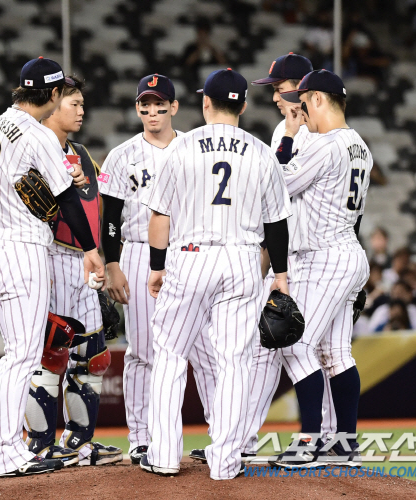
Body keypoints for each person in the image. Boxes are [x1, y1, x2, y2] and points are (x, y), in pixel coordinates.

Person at [142, 68, 293, 480]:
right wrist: (279, 274)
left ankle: (164, 456)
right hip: (242, 261)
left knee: (171, 356)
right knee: (234, 362)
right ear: (243, 105)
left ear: (204, 103)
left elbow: (159, 217)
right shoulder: (262, 152)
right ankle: (225, 462)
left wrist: (157, 268)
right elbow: (277, 224)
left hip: (190, 256)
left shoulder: (182, 147)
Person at [0, 57, 104, 478]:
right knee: (23, 356)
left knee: (15, 355)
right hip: (20, 250)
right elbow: (68, 199)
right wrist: (90, 248)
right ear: (52, 95)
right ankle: (8, 449)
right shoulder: (39, 135)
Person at [99, 74, 218, 465]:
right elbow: (110, 217)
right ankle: (142, 436)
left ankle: (222, 435)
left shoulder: (195, 148)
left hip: (188, 251)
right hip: (135, 251)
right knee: (144, 351)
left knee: (204, 348)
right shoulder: (121, 154)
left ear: (174, 107)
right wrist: (112, 263)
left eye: (159, 104)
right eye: (145, 104)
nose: (152, 111)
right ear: (137, 108)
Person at [270, 69, 372, 468]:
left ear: (316, 99)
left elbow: (276, 185)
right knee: (335, 353)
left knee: (294, 343)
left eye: (304, 100)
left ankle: (309, 441)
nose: (300, 109)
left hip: (324, 255)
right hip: (347, 250)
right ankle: (346, 444)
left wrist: (290, 137)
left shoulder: (326, 144)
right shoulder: (359, 144)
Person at [21, 76, 122, 467]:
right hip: (53, 258)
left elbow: (99, 204)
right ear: (52, 104)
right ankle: (40, 445)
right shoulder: (36, 149)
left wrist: (104, 258)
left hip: (84, 261)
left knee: (93, 357)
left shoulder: (81, 152)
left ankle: (79, 442)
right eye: (72, 104)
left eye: (82, 104)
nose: (80, 111)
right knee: (52, 354)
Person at [239, 52, 334, 464]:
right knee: (261, 349)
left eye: (278, 89)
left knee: (308, 349)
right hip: (286, 255)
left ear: (300, 89)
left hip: (313, 258)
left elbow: (276, 187)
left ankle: (322, 438)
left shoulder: (319, 133)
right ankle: (240, 438)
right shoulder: (284, 126)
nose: (274, 97)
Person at [182, 20, 226, 91]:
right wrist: (199, 50)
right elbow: (188, 63)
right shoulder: (191, 47)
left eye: (205, 34)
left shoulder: (213, 48)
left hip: (213, 77)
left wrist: (212, 50)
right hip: (195, 77)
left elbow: (223, 63)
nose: (203, 37)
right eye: (200, 34)